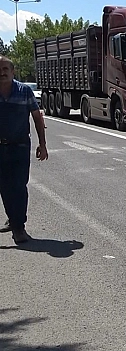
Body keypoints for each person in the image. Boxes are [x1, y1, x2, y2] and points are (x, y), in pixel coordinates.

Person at [0, 56, 48, 244]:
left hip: (19, 146)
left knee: (19, 187)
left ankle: (19, 228)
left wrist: (42, 144)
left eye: (5, 69)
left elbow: (37, 118)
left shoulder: (24, 91)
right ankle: (13, 219)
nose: (2, 72)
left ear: (13, 72)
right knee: (4, 187)